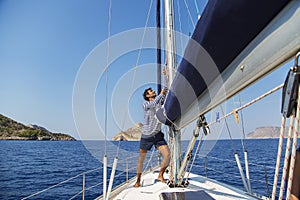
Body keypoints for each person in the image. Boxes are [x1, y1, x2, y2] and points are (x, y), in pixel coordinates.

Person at [133, 83, 170, 188]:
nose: (153, 91)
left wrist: (166, 75)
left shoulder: (159, 102)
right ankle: (138, 180)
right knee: (141, 160)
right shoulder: (145, 104)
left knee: (167, 155)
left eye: (153, 90)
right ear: (148, 96)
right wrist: (161, 94)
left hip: (157, 135)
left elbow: (165, 96)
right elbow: (153, 104)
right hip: (147, 136)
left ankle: (160, 175)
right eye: (151, 91)